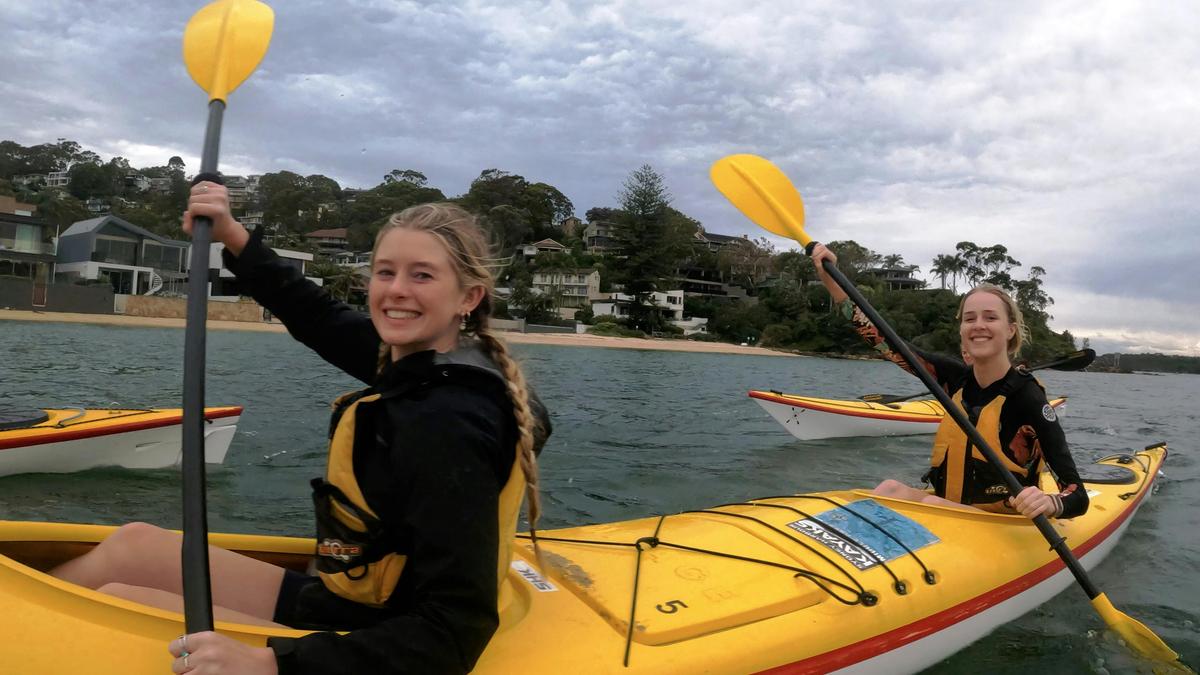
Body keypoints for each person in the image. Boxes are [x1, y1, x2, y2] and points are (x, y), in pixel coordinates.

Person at [50, 181, 552, 674]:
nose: (397, 290)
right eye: (385, 272)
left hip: (375, 637)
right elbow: (316, 315)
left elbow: (452, 631)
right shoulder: (426, 362)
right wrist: (233, 235)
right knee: (133, 544)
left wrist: (268, 663)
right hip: (345, 599)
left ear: (470, 297)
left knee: (116, 599)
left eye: (422, 276)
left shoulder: (447, 422)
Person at [810, 243, 1087, 520]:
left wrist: (1051, 503)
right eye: (970, 319)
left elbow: (1076, 494)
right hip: (951, 514)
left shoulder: (1028, 399)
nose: (978, 324)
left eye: (990, 317)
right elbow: (885, 341)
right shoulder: (955, 378)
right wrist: (831, 280)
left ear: (1010, 330)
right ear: (962, 330)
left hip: (1000, 524)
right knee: (890, 488)